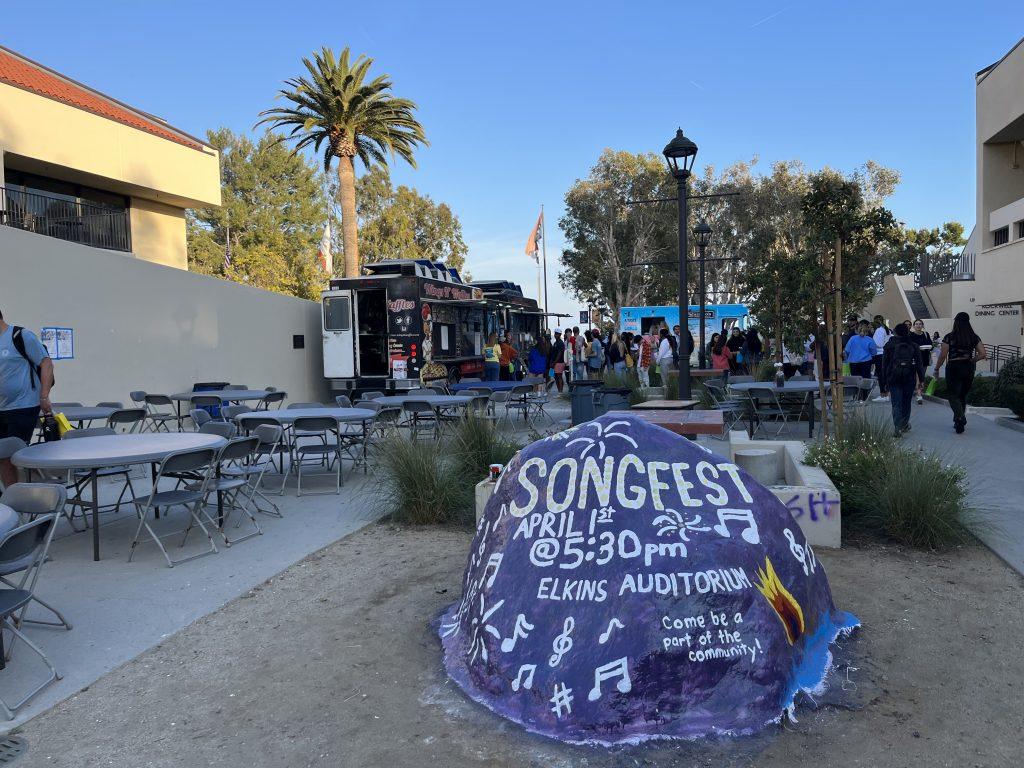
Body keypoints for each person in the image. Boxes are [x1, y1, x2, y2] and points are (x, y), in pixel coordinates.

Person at [0, 310, 54, 489]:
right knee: (3, 455)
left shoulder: (20, 336)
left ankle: (31, 500)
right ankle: (12, 497)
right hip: (2, 407)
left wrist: (44, 395)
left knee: (16, 454)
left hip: (24, 406)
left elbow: (45, 363)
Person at [933, 312, 987, 434]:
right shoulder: (974, 337)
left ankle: (960, 417)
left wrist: (936, 369)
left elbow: (942, 355)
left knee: (953, 395)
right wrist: (972, 360)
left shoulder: (949, 337)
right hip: (968, 367)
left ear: (956, 322)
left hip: (954, 367)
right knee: (962, 395)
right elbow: (983, 354)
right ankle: (958, 423)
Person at [881, 323, 926, 436]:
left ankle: (897, 427)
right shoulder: (913, 345)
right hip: (909, 377)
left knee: (896, 403)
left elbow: (884, 365)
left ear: (895, 332)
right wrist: (921, 379)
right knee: (906, 402)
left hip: (893, 377)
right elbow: (919, 364)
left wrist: (883, 383)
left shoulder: (889, 345)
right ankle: (904, 424)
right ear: (907, 332)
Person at [844, 321, 877, 400]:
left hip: (853, 361)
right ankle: (864, 396)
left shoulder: (852, 338)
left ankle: (856, 396)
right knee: (865, 379)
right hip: (866, 361)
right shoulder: (870, 339)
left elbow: (847, 350)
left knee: (855, 379)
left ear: (857, 330)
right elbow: (874, 351)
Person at [908, 319, 931, 405]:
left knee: (921, 376)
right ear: (914, 326)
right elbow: (909, 346)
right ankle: (919, 394)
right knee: (917, 376)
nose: (918, 325)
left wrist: (928, 347)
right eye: (916, 324)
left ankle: (918, 392)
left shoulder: (926, 334)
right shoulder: (911, 335)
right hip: (914, 358)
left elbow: (930, 344)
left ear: (922, 325)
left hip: (924, 358)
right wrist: (918, 348)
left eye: (920, 324)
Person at [871, 316, 892, 400]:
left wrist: (871, 343)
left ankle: (883, 394)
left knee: (881, 375)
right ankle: (886, 393)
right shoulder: (887, 330)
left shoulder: (879, 330)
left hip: (880, 354)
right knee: (885, 374)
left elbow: (878, 344)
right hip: (885, 353)